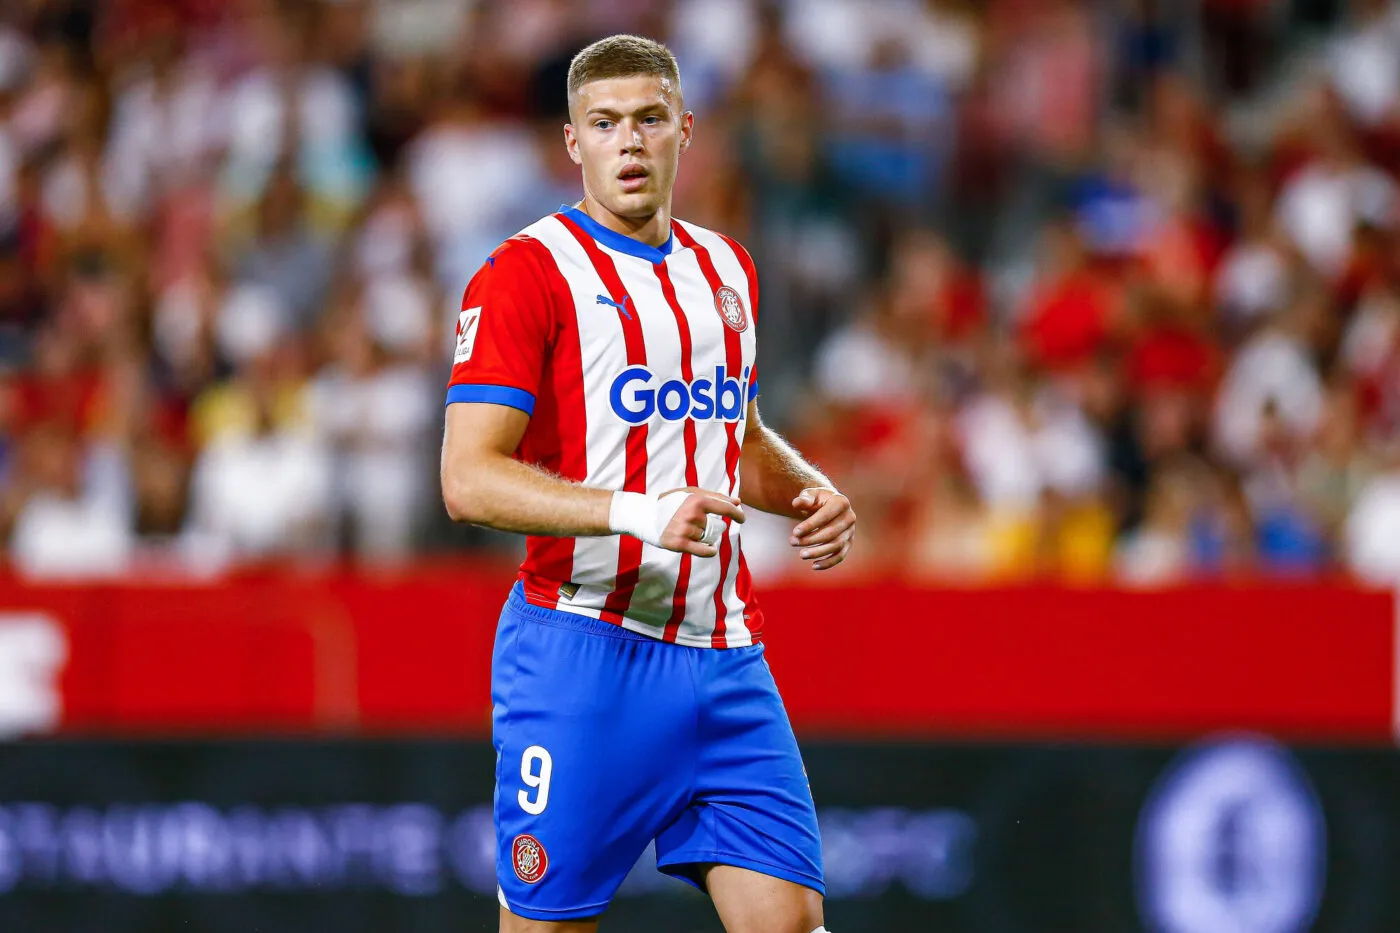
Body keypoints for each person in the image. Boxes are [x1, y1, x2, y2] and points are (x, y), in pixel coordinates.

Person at [440, 35, 856, 933]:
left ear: (685, 130)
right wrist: (639, 512)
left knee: (790, 922)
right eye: (605, 124)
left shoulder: (727, 270)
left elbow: (728, 437)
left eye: (648, 120)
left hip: (727, 653)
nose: (628, 142)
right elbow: (466, 479)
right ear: (571, 142)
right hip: (587, 651)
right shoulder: (525, 274)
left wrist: (809, 487)